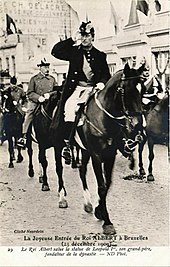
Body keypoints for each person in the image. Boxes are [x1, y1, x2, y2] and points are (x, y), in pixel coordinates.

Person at [50, 21, 111, 142]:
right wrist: (72, 39)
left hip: (94, 88)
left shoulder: (100, 55)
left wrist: (101, 83)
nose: (84, 38)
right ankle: (68, 142)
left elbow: (106, 74)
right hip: (77, 88)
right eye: (82, 35)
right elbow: (55, 51)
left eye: (87, 35)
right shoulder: (74, 52)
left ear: (93, 37)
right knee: (69, 108)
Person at [17, 58, 57, 148]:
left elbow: (56, 90)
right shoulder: (34, 79)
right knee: (29, 114)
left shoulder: (52, 79)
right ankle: (23, 136)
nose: (47, 69)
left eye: (48, 67)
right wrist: (39, 98)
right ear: (40, 68)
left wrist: (49, 95)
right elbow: (29, 93)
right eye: (45, 67)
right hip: (36, 102)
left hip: (49, 102)